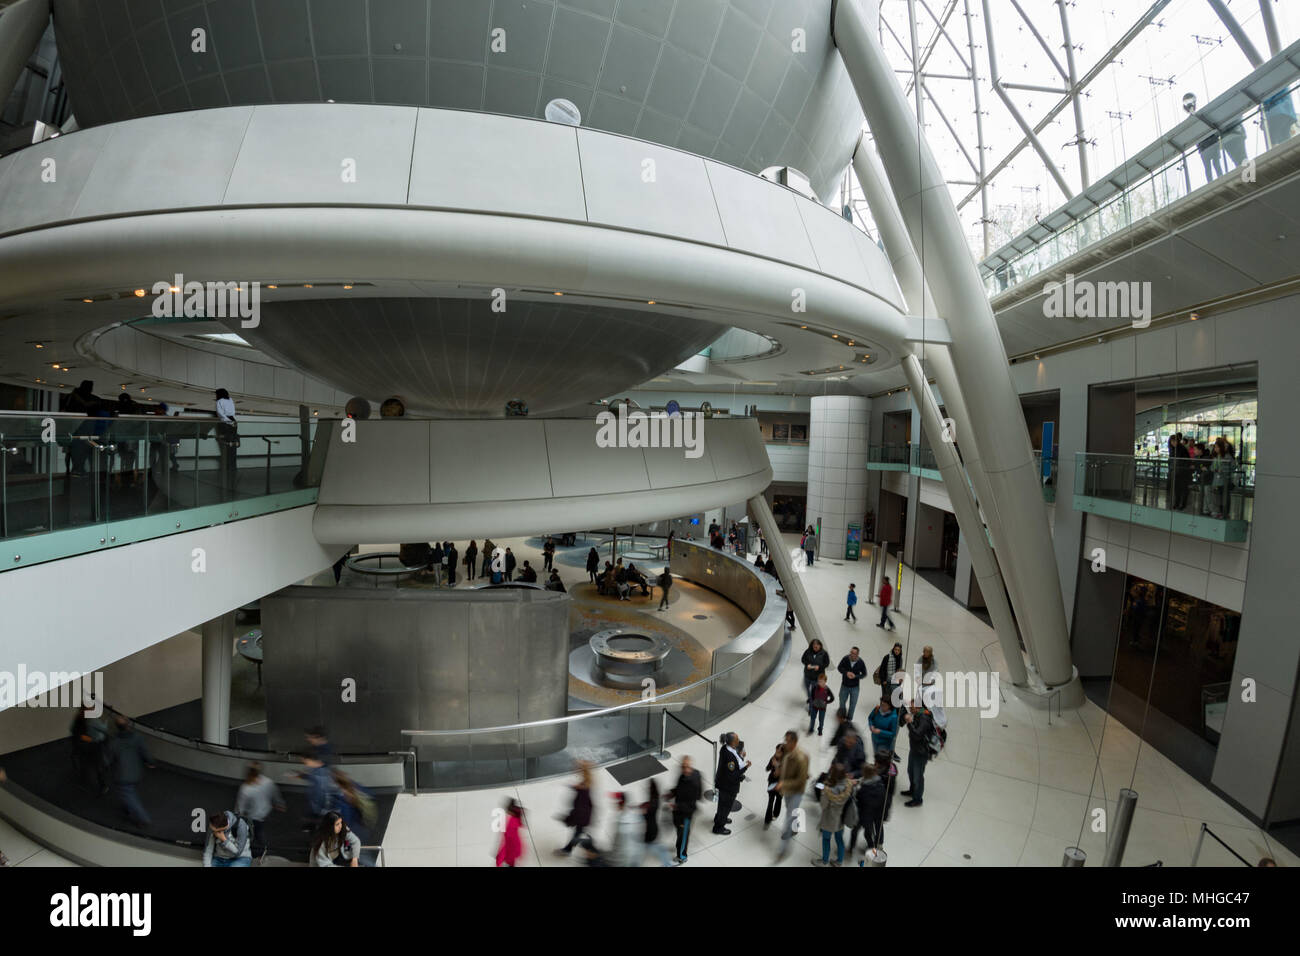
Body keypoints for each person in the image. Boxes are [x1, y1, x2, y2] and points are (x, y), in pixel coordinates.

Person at [107, 714, 154, 827]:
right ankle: (127, 808)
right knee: (128, 792)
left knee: (129, 795)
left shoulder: (114, 742)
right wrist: (150, 762)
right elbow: (144, 752)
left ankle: (143, 819)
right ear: (128, 725)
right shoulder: (137, 737)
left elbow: (107, 759)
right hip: (136, 772)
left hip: (122, 774)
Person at [236, 761, 285, 858]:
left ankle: (247, 851)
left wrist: (238, 817)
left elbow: (240, 807)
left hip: (252, 816)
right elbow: (275, 794)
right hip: (265, 813)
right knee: (260, 832)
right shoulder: (268, 782)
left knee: (252, 833)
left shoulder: (245, 788)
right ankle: (262, 850)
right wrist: (279, 804)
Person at [775, 730, 809, 862]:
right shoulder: (786, 752)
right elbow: (782, 766)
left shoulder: (801, 758)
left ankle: (782, 850)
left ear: (794, 742)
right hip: (786, 791)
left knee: (788, 820)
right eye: (785, 740)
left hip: (796, 791)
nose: (785, 742)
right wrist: (778, 759)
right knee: (792, 812)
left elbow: (800, 781)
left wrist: (784, 783)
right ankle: (796, 826)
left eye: (788, 740)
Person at [813, 764, 854, 867]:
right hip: (840, 819)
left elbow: (823, 805)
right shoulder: (848, 786)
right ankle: (839, 861)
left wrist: (823, 792)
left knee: (826, 840)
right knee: (839, 839)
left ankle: (824, 861)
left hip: (829, 820)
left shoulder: (828, 791)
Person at [901, 701, 938, 807]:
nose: (910, 709)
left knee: (918, 775)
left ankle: (917, 799)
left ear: (918, 707)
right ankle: (913, 790)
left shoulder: (924, 719)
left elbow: (917, 735)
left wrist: (909, 722)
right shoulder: (918, 714)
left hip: (921, 752)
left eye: (911, 707)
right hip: (915, 749)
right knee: (910, 771)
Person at [667, 756, 702, 863]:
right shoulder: (684, 776)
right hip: (679, 812)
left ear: (690, 766)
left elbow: (694, 800)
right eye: (683, 766)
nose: (685, 769)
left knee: (683, 836)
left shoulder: (693, 782)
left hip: (685, 815)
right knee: (681, 833)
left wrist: (677, 806)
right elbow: (679, 788)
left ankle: (682, 856)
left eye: (687, 766)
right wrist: (672, 793)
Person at [712, 732, 749, 834]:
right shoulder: (729, 756)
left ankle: (719, 819)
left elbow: (734, 764)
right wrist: (745, 767)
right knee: (726, 807)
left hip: (723, 783)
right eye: (737, 739)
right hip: (728, 786)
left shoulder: (725, 748)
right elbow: (733, 775)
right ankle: (718, 827)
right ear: (732, 742)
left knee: (722, 805)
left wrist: (741, 757)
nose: (739, 741)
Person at [557, 761, 594, 855]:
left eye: (577, 768)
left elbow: (580, 807)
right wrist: (575, 787)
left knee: (578, 833)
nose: (575, 770)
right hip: (585, 815)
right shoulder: (587, 782)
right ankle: (569, 849)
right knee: (578, 832)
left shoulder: (584, 788)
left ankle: (569, 849)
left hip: (582, 816)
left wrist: (569, 819)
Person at [70, 704, 109, 794]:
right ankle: (102, 784)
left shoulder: (80, 718)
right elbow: (102, 729)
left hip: (85, 746)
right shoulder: (90, 720)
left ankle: (85, 782)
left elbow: (75, 731)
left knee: (86, 764)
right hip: (92, 745)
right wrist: (90, 739)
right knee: (97, 764)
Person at [214, 387, 239, 497]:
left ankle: (227, 466)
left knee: (225, 445)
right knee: (232, 445)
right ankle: (233, 466)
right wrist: (232, 421)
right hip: (233, 422)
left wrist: (227, 421)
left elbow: (220, 415)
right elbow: (233, 412)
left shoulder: (219, 401)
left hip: (225, 424)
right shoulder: (230, 399)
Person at [837, 646, 868, 721]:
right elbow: (839, 667)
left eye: (854, 653)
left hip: (855, 688)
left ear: (857, 654)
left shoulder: (860, 662)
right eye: (851, 653)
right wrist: (846, 672)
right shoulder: (845, 658)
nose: (852, 655)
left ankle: (849, 719)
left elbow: (864, 674)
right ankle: (842, 716)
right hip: (844, 685)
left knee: (852, 705)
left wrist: (856, 676)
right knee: (842, 702)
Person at [867, 694, 900, 760]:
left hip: (885, 743)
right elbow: (870, 718)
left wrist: (880, 732)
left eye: (884, 705)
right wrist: (871, 726)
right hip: (875, 739)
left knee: (882, 759)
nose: (882, 707)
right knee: (876, 756)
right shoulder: (877, 709)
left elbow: (892, 734)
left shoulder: (893, 717)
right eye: (881, 704)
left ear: (890, 706)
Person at [495, 799, 525, 867]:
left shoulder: (510, 824)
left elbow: (508, 842)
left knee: (509, 862)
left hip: (510, 848)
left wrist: (499, 860)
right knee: (511, 862)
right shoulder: (516, 820)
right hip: (514, 848)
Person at [763, 742, 785, 829]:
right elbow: (767, 768)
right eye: (776, 751)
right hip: (772, 782)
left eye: (779, 752)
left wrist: (778, 766)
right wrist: (771, 764)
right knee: (770, 800)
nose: (776, 753)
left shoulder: (786, 762)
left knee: (779, 799)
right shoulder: (773, 758)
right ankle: (767, 820)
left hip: (781, 784)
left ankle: (776, 813)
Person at [807, 672, 835, 737]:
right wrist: (812, 701)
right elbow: (811, 695)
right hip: (814, 706)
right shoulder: (815, 687)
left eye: (822, 682)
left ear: (825, 681)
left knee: (821, 720)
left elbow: (832, 698)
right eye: (819, 681)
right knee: (812, 718)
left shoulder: (827, 689)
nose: (820, 683)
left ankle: (820, 729)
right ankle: (811, 729)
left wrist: (826, 702)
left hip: (822, 707)